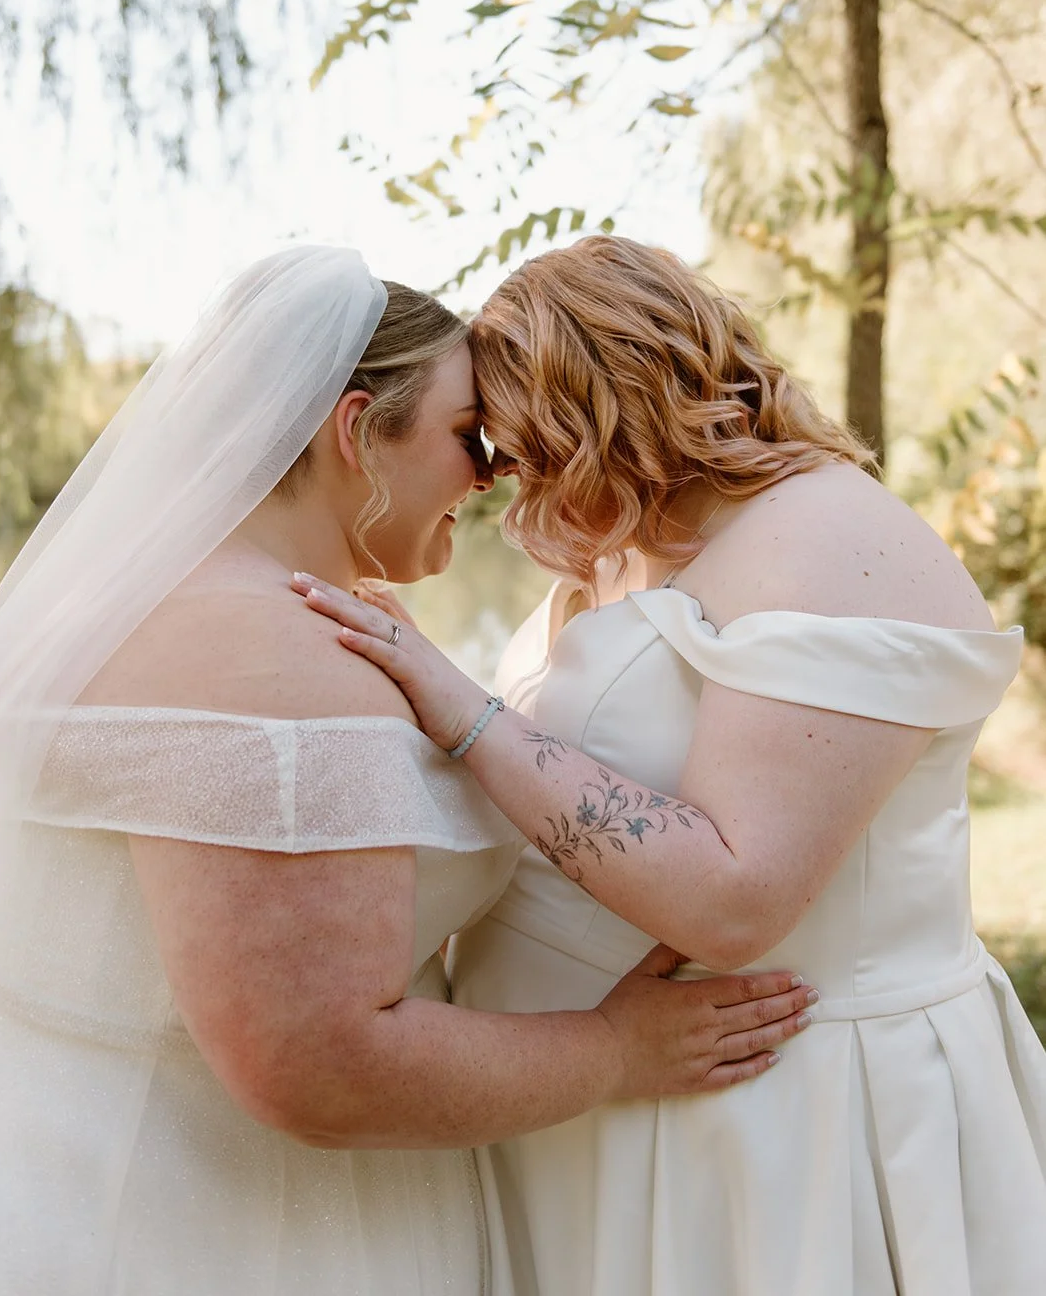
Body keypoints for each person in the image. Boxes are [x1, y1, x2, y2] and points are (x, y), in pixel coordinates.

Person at [0, 245, 813, 1296]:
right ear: (354, 430)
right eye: (468, 436)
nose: (496, 471)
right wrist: (616, 1051)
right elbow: (319, 1067)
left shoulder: (181, 608)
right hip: (232, 1234)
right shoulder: (272, 659)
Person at [300, 235, 1046, 1296]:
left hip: (771, 1127)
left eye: (512, 442)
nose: (500, 481)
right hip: (594, 1116)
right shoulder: (636, 539)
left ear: (595, 402)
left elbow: (736, 900)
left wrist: (461, 708)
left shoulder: (827, 541)